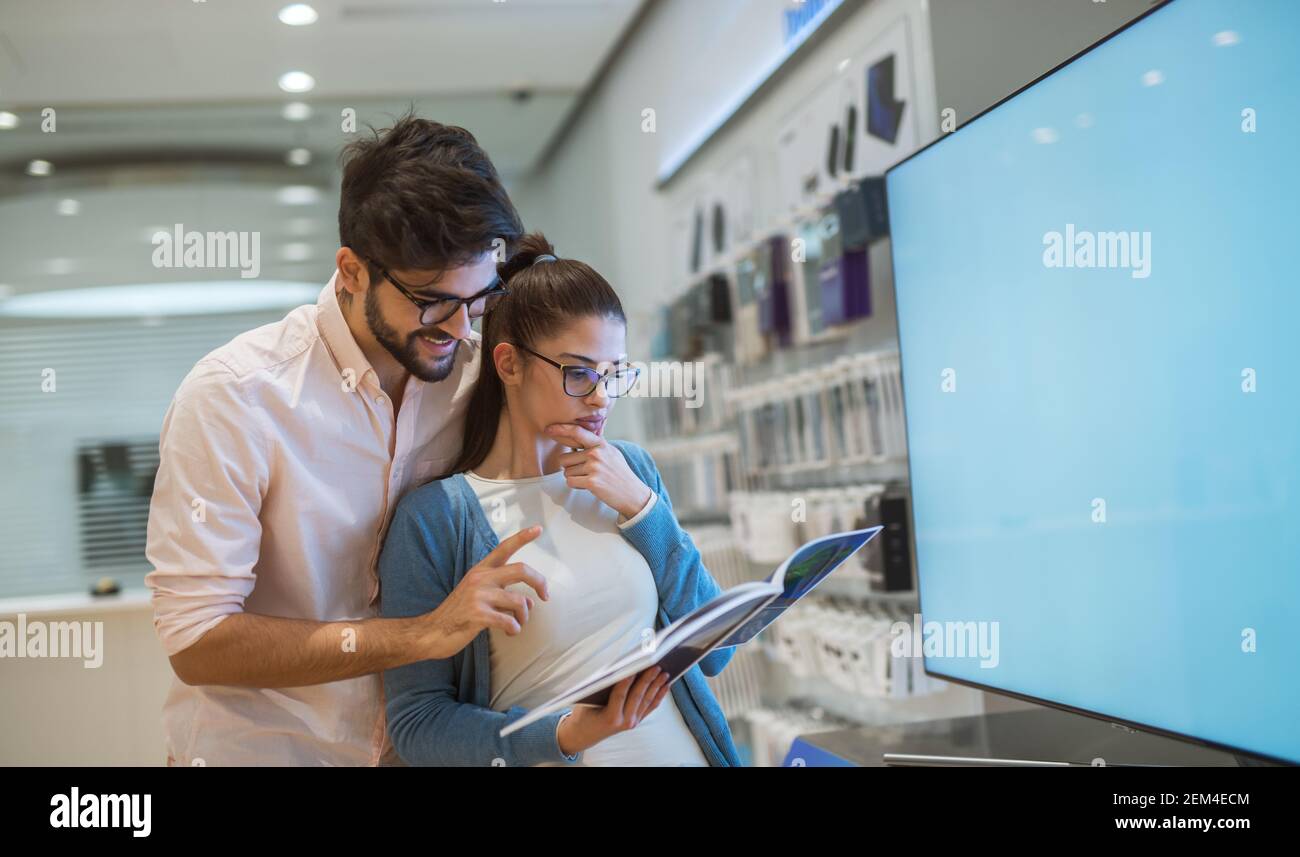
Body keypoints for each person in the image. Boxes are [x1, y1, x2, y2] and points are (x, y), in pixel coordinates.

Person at [144, 115, 549, 766]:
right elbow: (197, 640)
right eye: (430, 300)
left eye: (475, 298)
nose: (457, 327)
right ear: (353, 270)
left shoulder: (471, 368)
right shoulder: (234, 396)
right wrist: (423, 634)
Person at [378, 233, 742, 766]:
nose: (601, 396)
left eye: (614, 373)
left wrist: (643, 508)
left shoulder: (631, 471)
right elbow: (418, 725)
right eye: (579, 372)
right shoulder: (437, 520)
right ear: (507, 364)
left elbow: (719, 650)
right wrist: (565, 735)